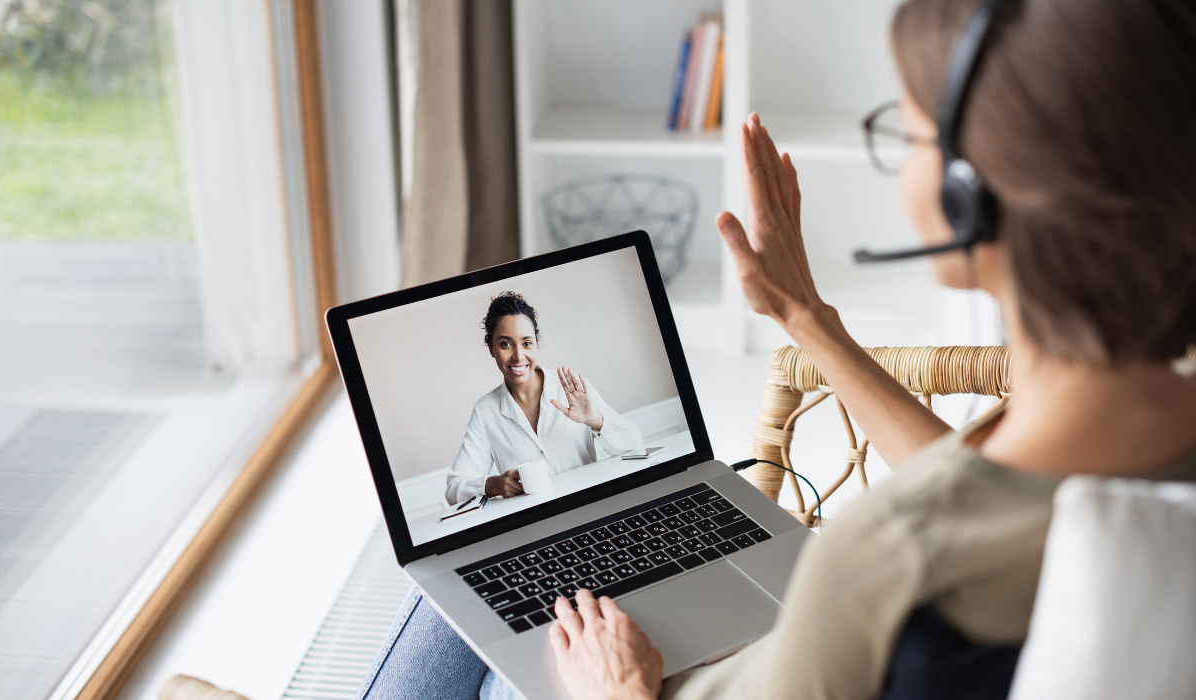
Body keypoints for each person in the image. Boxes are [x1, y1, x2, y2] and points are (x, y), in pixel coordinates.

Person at [356, 0, 1196, 698]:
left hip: (650, 682)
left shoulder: (885, 556)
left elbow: (938, 530)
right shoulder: (1138, 448)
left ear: (970, 196)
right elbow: (991, 513)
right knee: (473, 587)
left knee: (448, 609)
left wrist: (618, 691)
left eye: (907, 135)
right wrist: (807, 317)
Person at [444, 292, 644, 505]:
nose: (518, 356)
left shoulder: (572, 388)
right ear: (491, 348)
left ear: (536, 344)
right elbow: (453, 489)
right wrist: (493, 485)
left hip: (592, 505)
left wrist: (596, 420)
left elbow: (635, 445)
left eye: (526, 343)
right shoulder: (486, 411)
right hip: (537, 518)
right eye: (505, 344)